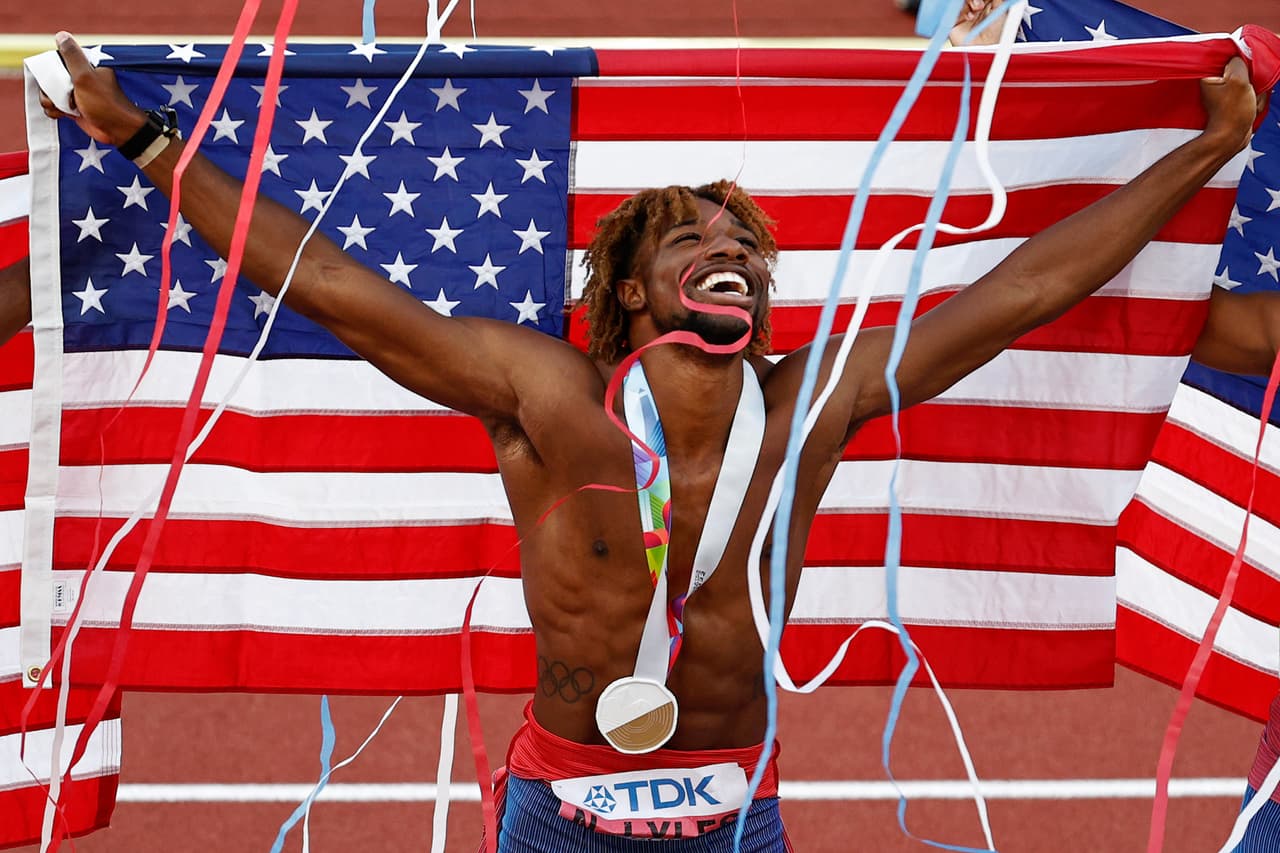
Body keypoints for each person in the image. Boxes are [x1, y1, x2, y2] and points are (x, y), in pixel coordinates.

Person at [20, 22, 1263, 850]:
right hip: (560, 814)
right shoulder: (551, 399)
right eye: (692, 245)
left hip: (741, 816)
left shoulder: (808, 401)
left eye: (745, 252)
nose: (730, 256)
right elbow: (331, 281)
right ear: (629, 290)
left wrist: (1206, 149)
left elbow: (1027, 291)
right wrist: (141, 137)